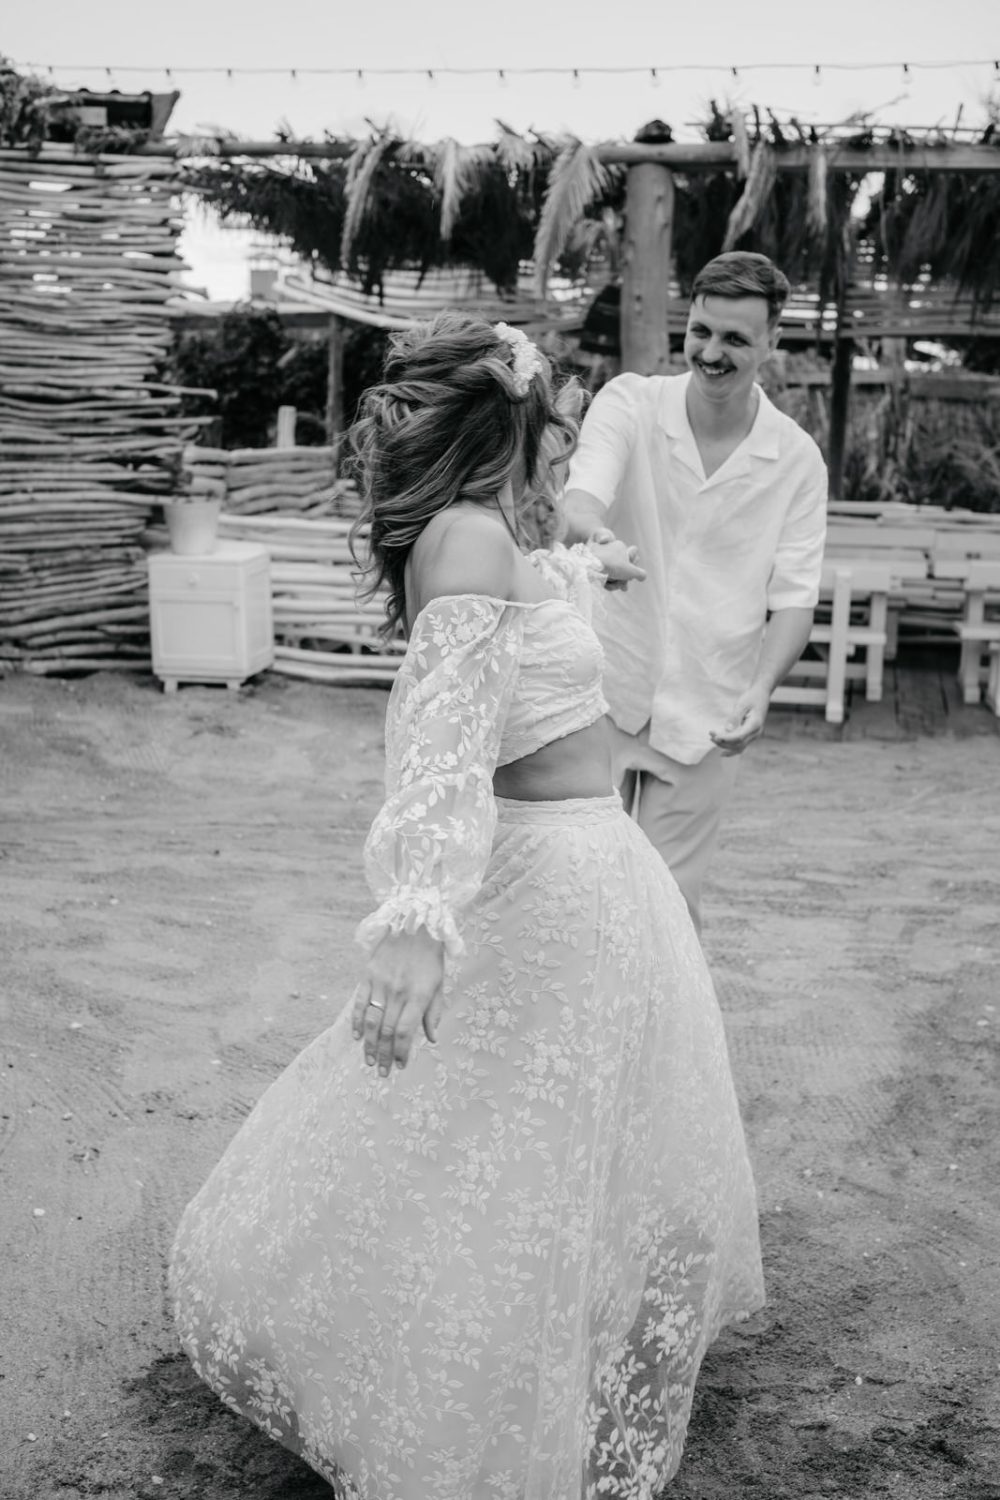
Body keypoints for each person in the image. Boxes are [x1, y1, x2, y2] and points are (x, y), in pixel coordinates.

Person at [169, 312, 764, 1500]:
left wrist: (595, 568)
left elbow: (537, 597)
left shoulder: (498, 537)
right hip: (546, 874)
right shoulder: (464, 542)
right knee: (502, 1136)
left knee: (547, 1128)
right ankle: (456, 1380)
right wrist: (414, 920)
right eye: (552, 431)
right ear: (518, 425)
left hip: (599, 868)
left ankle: (548, 1327)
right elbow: (439, 746)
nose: (561, 458)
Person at [563, 251, 828, 932]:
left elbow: (795, 597)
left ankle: (650, 1041)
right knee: (576, 894)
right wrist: (600, 545)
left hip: (710, 706)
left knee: (666, 914)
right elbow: (579, 504)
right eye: (701, 332)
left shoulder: (796, 460)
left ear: (773, 342)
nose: (711, 352)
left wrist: (762, 688)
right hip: (601, 689)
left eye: (735, 339)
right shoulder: (631, 402)